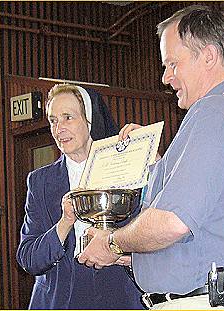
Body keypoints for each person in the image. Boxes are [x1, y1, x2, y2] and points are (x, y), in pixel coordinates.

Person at [76, 5, 224, 310]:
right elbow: (197, 234)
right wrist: (128, 254)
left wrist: (112, 241)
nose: (166, 77)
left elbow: (173, 223)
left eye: (172, 64)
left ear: (208, 56)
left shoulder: (214, 113)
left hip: (203, 302)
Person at [16, 84, 145, 310]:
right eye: (53, 120)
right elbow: (28, 259)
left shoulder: (127, 169)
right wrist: (65, 223)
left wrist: (148, 156)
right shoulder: (39, 182)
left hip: (118, 296)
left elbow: (153, 238)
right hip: (59, 300)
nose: (59, 128)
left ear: (90, 120)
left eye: (68, 117)